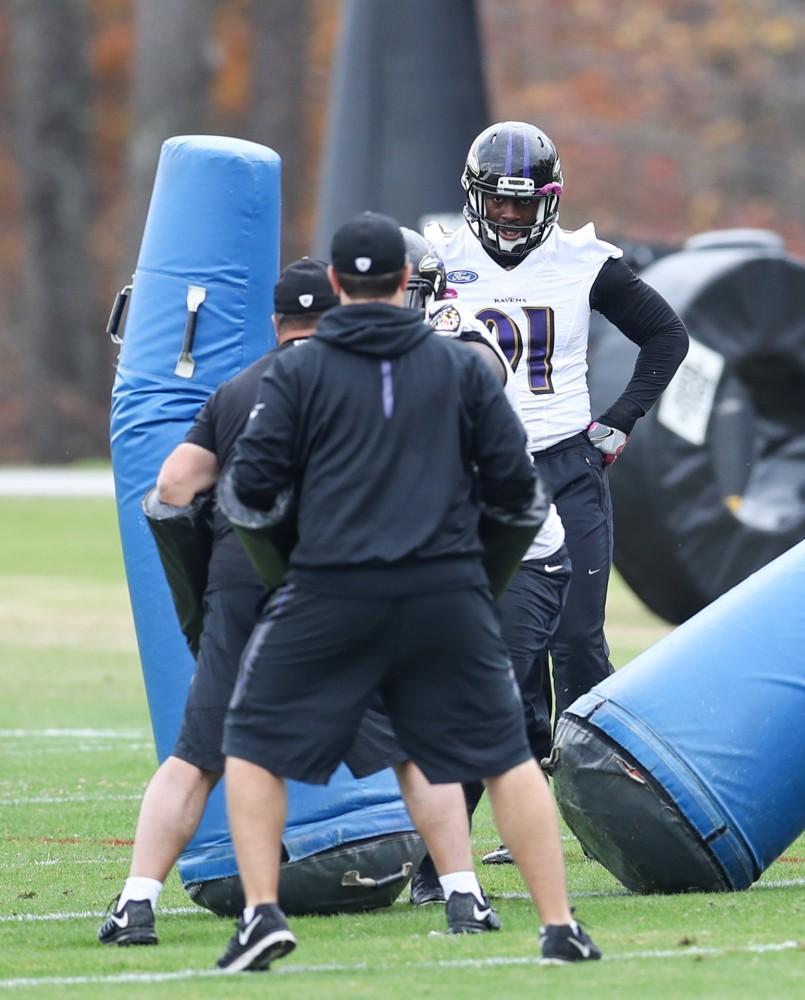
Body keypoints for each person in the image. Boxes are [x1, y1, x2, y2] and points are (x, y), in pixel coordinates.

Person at [215, 211, 601, 972]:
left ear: (333, 286)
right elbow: (520, 496)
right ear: (406, 282)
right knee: (504, 758)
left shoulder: (296, 371)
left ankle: (262, 916)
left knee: (251, 746)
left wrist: (286, 572)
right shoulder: (461, 367)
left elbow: (247, 494)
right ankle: (558, 926)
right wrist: (476, 583)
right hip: (446, 588)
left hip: (331, 587)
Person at [98, 257, 491, 949]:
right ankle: (462, 896)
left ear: (276, 322)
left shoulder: (237, 389)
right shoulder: (370, 383)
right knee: (413, 749)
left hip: (243, 583)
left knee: (200, 754)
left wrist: (202, 588)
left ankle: (136, 902)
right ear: (338, 309)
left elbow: (174, 484)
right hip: (348, 586)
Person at [424, 122, 689, 814]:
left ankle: (597, 805)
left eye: (523, 203)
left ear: (550, 200)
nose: (510, 217)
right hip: (476, 476)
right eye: (499, 202)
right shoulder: (434, 260)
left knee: (575, 641)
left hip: (564, 464)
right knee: (498, 651)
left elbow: (666, 333)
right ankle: (517, 801)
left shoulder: (584, 260)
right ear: (473, 196)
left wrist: (621, 417)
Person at [400, 228, 573, 898]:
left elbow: (478, 367)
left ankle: (439, 872)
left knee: (482, 703)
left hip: (514, 551)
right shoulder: (362, 350)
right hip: (444, 552)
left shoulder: (452, 337)